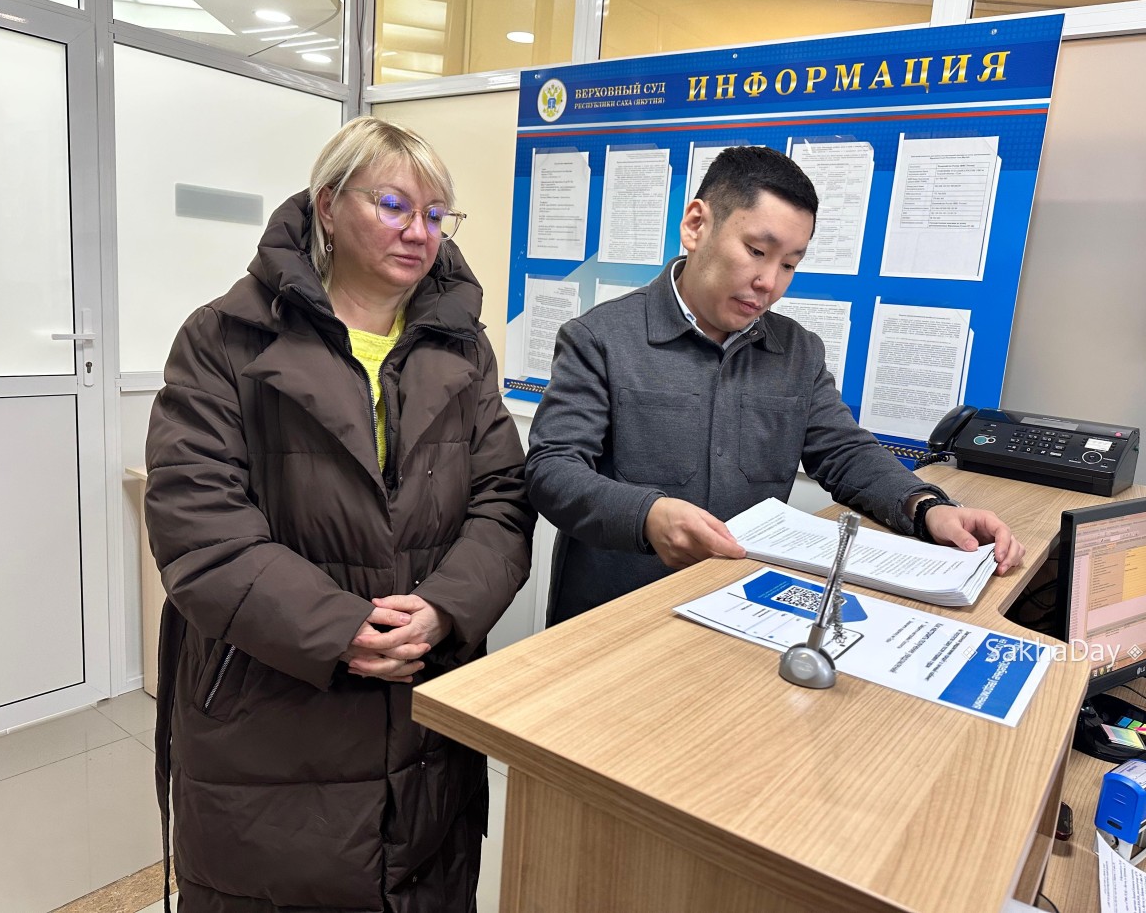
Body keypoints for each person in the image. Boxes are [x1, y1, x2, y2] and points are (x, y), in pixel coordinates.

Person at [145, 116, 534, 912]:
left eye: (436, 214)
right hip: (271, 703)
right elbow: (198, 526)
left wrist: (444, 608)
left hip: (424, 695)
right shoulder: (226, 339)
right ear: (327, 205)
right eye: (394, 205)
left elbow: (503, 499)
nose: (418, 231)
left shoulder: (462, 347)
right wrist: (339, 629)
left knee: (424, 879)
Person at [526, 145, 1023, 626]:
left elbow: (845, 452)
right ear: (696, 225)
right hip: (615, 617)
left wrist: (926, 507)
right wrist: (647, 515)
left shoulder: (798, 351)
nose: (769, 281)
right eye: (756, 251)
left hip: (740, 609)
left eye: (788, 264)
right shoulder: (601, 337)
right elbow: (552, 469)